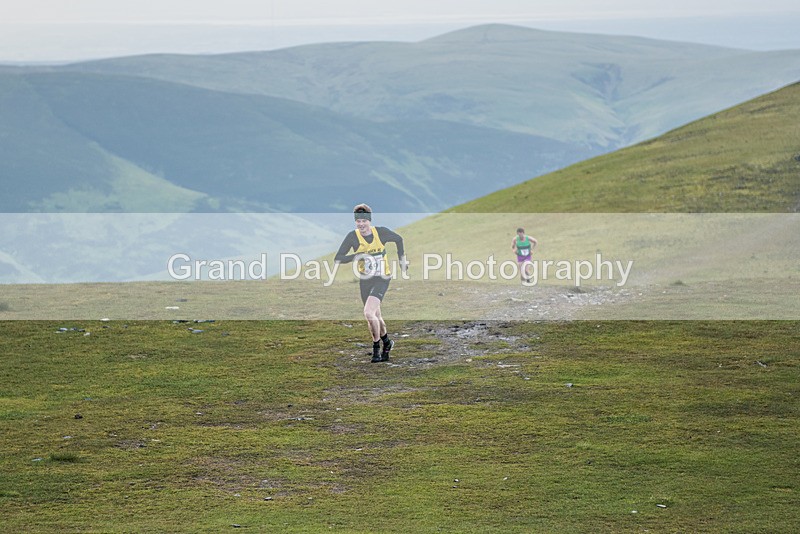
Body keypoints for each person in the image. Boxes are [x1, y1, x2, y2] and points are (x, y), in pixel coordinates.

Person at [335, 204, 407, 363]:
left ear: (369, 220)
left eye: (364, 221)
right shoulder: (352, 237)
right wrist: (356, 256)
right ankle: (387, 342)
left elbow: (398, 239)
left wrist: (402, 259)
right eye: (358, 221)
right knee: (375, 316)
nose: (361, 224)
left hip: (382, 278)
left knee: (368, 312)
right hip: (365, 280)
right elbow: (338, 258)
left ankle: (376, 348)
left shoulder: (380, 232)